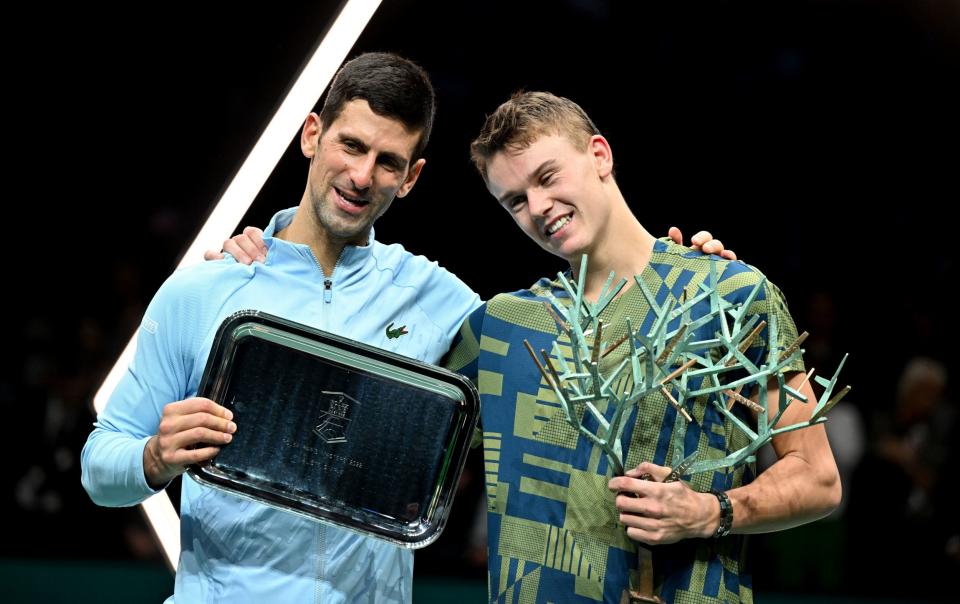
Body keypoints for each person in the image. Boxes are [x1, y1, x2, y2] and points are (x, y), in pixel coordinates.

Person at [80, 52, 483, 603]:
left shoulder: (436, 299)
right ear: (312, 134)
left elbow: (550, 360)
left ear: (411, 178)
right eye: (352, 145)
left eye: (389, 161)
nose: (363, 176)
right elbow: (99, 468)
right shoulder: (202, 292)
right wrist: (154, 456)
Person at [441, 91, 841, 602]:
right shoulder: (500, 328)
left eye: (547, 177)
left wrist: (710, 511)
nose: (537, 207)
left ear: (600, 156)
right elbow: (397, 456)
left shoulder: (726, 296)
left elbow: (818, 479)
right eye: (515, 200)